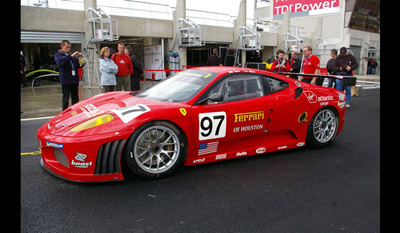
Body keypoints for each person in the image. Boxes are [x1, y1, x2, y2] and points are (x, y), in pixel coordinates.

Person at [54, 40, 86, 110]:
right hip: (66, 80)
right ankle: (64, 112)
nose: (68, 49)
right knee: (66, 98)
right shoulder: (58, 55)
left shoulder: (72, 56)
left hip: (74, 79)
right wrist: (70, 56)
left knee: (75, 98)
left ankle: (75, 110)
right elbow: (61, 62)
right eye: (67, 47)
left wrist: (83, 60)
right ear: (62, 46)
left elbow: (79, 65)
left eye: (69, 47)